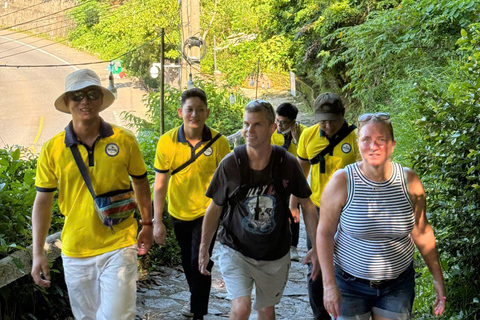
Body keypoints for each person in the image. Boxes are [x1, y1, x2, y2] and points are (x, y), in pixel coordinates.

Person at [31, 69, 153, 320]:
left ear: (100, 99)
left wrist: (148, 223)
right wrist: (38, 252)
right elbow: (43, 201)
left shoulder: (124, 140)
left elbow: (141, 183)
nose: (84, 101)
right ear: (67, 102)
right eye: (77, 96)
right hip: (76, 250)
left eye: (91, 94)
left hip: (119, 243)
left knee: (117, 316)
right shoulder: (52, 149)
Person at [198, 100, 320, 320]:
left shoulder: (286, 162)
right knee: (242, 307)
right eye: (246, 124)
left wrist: (316, 247)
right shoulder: (231, 163)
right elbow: (214, 209)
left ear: (273, 127)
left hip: (274, 253)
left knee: (265, 310)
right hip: (236, 248)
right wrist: (204, 249)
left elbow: (308, 205)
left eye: (257, 125)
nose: (249, 130)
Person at [317, 112, 446, 319]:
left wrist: (438, 278)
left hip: (397, 286)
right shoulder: (342, 182)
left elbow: (422, 231)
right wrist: (329, 285)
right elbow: (324, 233)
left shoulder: (409, 181)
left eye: (381, 140)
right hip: (349, 285)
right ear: (358, 144)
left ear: (392, 145)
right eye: (366, 139)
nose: (373, 146)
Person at [153, 88, 230, 320]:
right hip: (178, 210)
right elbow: (159, 184)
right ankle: (195, 299)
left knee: (201, 257)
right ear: (180, 112)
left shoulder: (219, 143)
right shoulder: (167, 142)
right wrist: (158, 221)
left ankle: (198, 312)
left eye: (199, 110)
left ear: (207, 112)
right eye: (189, 110)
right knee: (188, 260)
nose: (194, 114)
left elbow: (227, 183)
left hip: (208, 212)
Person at [293, 92, 359, 320]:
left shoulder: (355, 139)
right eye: (323, 120)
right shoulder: (308, 137)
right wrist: (293, 203)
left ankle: (346, 309)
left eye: (333, 119)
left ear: (343, 115)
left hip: (349, 210)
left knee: (347, 262)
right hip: (318, 210)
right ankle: (319, 314)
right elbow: (301, 172)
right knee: (317, 263)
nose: (328, 125)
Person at [271, 102, 307, 261]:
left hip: (295, 176)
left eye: (283, 122)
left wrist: (298, 141)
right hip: (276, 176)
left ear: (293, 121)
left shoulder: (304, 132)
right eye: (277, 120)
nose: (279, 124)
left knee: (294, 210)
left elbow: (308, 159)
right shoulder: (272, 131)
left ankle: (293, 246)